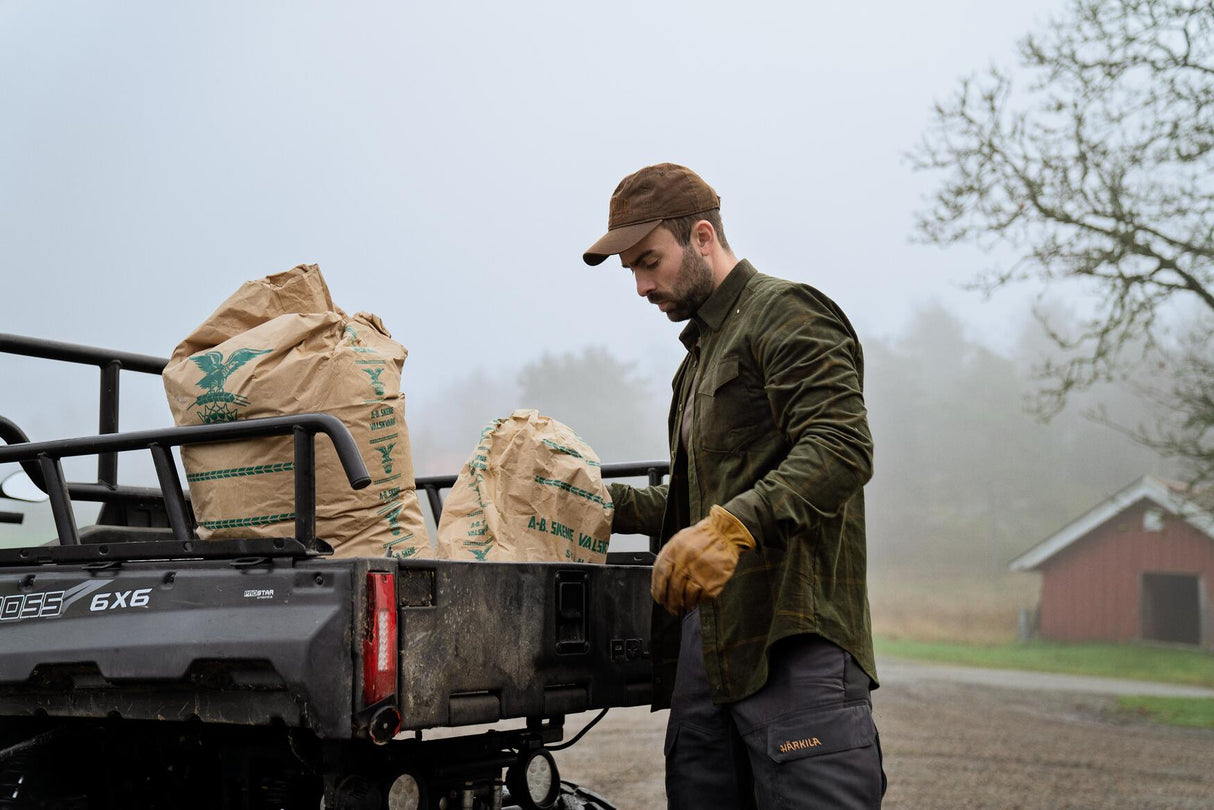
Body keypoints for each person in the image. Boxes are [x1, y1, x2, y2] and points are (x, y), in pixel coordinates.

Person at [583, 163, 885, 808]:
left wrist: (734, 526)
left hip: (791, 642)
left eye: (649, 262)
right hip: (708, 657)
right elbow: (699, 503)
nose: (641, 286)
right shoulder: (696, 363)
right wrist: (593, 501)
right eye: (631, 271)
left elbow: (840, 445)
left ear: (702, 237)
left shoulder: (787, 313)